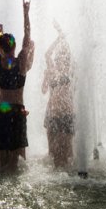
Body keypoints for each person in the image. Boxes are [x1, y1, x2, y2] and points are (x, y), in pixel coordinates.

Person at [0, 0, 33, 170]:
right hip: (17, 112)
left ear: (1, 48)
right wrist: (26, 13)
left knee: (2, 161)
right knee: (14, 163)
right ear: (14, 46)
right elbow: (27, 36)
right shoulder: (21, 62)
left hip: (1, 110)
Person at [42, 21, 74, 168]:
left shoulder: (68, 70)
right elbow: (47, 54)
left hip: (67, 113)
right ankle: (57, 182)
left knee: (67, 153)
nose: (61, 58)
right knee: (55, 155)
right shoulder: (52, 70)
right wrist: (58, 37)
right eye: (59, 57)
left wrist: (62, 34)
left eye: (63, 56)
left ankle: (71, 180)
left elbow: (68, 52)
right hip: (54, 114)